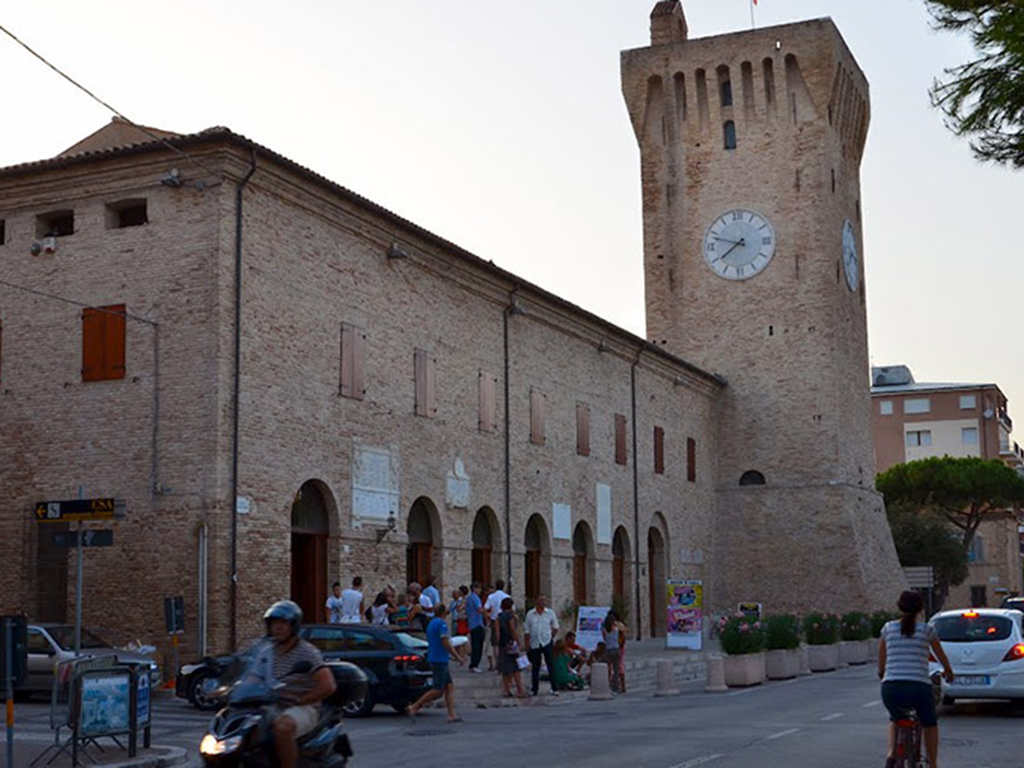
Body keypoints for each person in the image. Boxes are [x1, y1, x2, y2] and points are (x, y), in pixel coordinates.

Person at [878, 590, 954, 768]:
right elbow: (941, 656)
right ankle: (933, 764)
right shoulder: (927, 630)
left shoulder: (888, 628)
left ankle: (891, 754)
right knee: (929, 723)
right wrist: (949, 672)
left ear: (900, 607)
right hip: (918, 688)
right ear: (921, 609)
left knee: (894, 718)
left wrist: (883, 674)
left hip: (891, 688)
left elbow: (882, 659)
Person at [260, 600, 337, 768]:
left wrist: (300, 700)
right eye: (274, 623)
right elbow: (252, 675)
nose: (278, 628)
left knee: (282, 728)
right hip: (271, 704)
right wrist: (224, 689)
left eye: (283, 623)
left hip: (303, 707)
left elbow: (328, 685)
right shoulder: (266, 651)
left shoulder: (307, 652)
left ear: (293, 626)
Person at [406, 603, 464, 723]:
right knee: (437, 690)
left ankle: (452, 715)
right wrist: (457, 656)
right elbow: (445, 642)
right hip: (439, 659)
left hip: (436, 657)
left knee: (449, 686)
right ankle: (414, 707)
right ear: (444, 613)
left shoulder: (431, 623)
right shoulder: (441, 624)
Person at [524, 594, 560, 696]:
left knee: (550, 664)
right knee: (535, 666)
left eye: (544, 600)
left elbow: (555, 626)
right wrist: (527, 643)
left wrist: (550, 636)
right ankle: (534, 689)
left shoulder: (550, 613)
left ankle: (554, 688)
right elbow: (527, 629)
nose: (543, 602)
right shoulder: (530, 614)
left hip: (547, 641)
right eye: (540, 600)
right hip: (535, 642)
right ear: (536, 602)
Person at [494, 596, 527, 698]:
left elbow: (497, 634)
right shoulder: (511, 616)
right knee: (515, 668)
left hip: (503, 644)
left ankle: (506, 690)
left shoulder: (498, 617)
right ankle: (520, 690)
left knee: (505, 669)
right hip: (511, 643)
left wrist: (498, 643)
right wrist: (518, 641)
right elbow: (512, 629)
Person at [484, 580, 510, 673]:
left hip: (495, 620)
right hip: (506, 621)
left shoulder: (491, 597)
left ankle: (498, 663)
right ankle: (505, 662)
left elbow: (485, 608)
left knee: (495, 644)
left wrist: (489, 617)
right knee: (505, 642)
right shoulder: (507, 596)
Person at [465, 582, 486, 673]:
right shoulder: (475, 598)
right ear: (474, 588)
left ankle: (473, 664)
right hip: (477, 624)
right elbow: (479, 609)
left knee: (475, 645)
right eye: (479, 588)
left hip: (472, 624)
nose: (480, 591)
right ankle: (475, 664)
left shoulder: (469, 598)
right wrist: (488, 614)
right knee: (478, 646)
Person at [602, 611, 625, 693]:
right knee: (616, 670)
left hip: (608, 649)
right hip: (616, 649)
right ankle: (616, 687)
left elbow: (604, 639)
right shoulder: (616, 629)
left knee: (604, 665)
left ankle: (607, 682)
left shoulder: (605, 630)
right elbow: (623, 630)